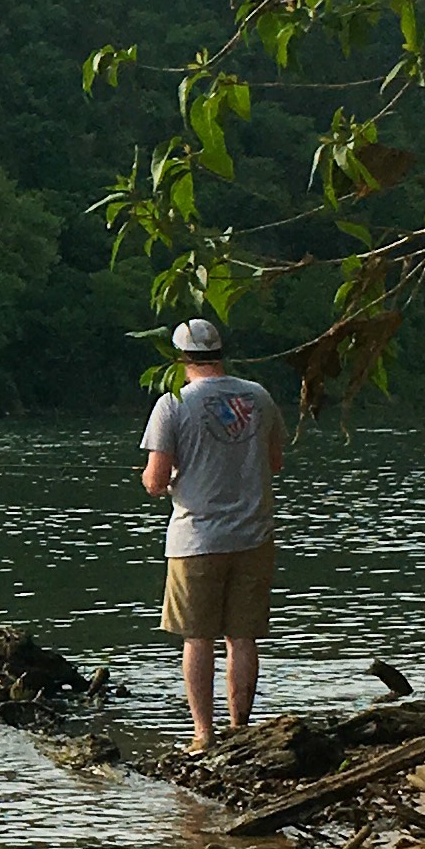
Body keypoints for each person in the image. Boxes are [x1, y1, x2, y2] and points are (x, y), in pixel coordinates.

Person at [139, 317, 288, 748]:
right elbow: (275, 463)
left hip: (196, 540)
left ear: (179, 358)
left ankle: (203, 734)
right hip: (254, 536)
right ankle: (240, 729)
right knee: (242, 637)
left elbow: (155, 480)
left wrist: (158, 480)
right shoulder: (258, 396)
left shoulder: (172, 403)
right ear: (220, 352)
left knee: (198, 638)